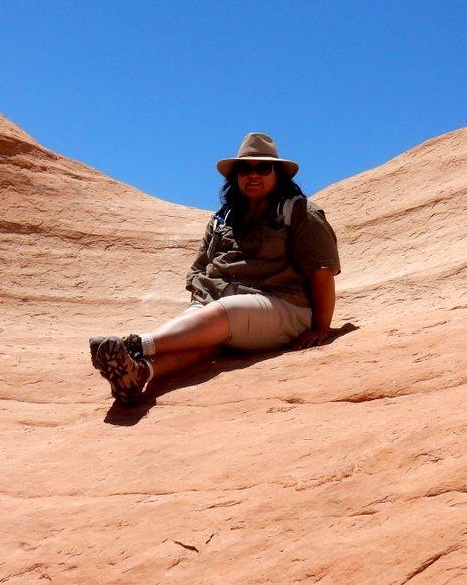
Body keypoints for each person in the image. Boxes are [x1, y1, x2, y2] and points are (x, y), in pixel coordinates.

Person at [89, 132, 341, 405]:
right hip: (220, 309)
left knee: (225, 312)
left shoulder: (299, 212)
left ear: (278, 174)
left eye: (263, 168)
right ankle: (138, 374)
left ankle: (134, 345)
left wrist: (321, 327)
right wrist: (197, 305)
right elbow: (198, 270)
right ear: (235, 176)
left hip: (283, 307)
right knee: (201, 342)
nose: (253, 175)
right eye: (245, 169)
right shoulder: (223, 219)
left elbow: (322, 270)